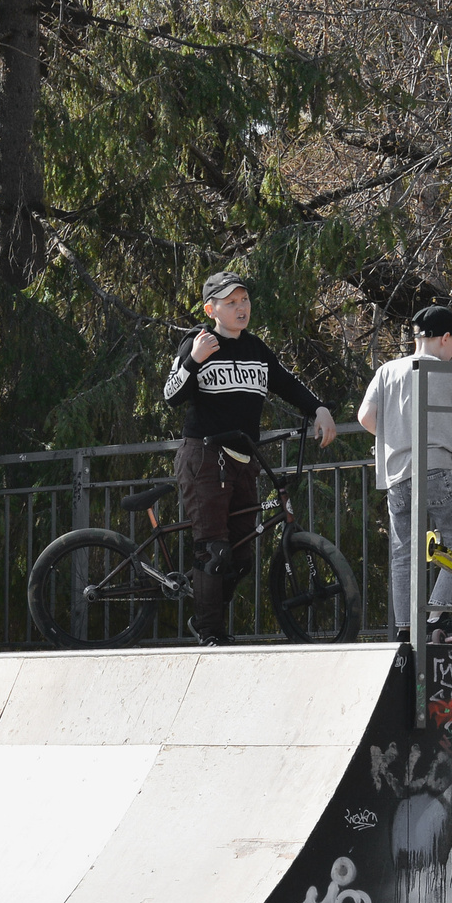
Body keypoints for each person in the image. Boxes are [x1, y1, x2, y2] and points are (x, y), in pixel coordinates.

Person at [161, 271, 339, 644]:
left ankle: (204, 610)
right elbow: (171, 396)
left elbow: (287, 383)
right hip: (205, 457)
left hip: (244, 460)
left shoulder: (256, 349)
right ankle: (209, 632)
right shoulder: (198, 342)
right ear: (211, 309)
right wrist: (193, 360)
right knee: (214, 548)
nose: (241, 308)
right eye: (231, 303)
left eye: (244, 301)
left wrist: (319, 409)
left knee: (241, 552)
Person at [357, 306, 452, 639]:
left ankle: (404, 627)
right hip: (437, 469)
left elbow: (365, 418)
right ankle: (435, 616)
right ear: (444, 339)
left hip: (397, 474)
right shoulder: (450, 371)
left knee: (403, 552)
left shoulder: (387, 371)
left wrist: (398, 437)